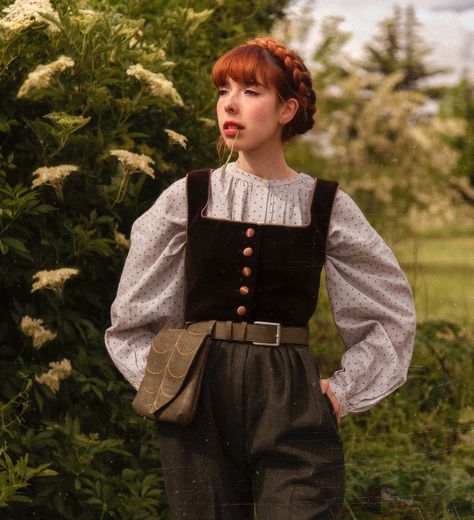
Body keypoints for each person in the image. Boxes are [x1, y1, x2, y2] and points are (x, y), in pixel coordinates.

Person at [105, 37, 417, 519]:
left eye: (251, 90)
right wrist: (165, 381)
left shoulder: (325, 204)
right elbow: (134, 314)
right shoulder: (188, 196)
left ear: (287, 108)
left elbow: (390, 311)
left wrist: (341, 391)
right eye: (223, 90)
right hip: (198, 399)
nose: (230, 103)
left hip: (292, 400)